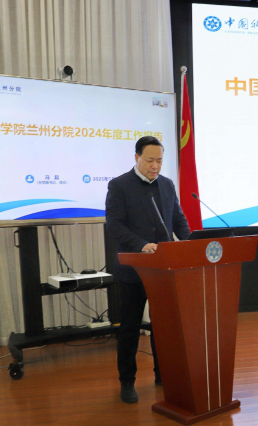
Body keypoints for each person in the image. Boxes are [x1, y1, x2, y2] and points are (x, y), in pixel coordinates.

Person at [105, 136, 191, 403]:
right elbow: (114, 225)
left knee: (163, 326)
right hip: (134, 270)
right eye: (150, 160)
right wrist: (141, 245)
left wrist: (190, 244)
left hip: (163, 270)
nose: (156, 166)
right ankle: (127, 381)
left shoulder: (167, 185)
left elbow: (178, 220)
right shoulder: (119, 185)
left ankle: (163, 374)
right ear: (137, 158)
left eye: (160, 161)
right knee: (130, 328)